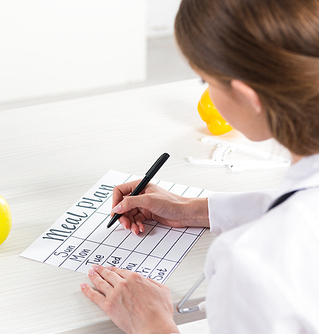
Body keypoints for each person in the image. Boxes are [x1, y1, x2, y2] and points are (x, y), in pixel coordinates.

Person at [79, 0, 319, 333]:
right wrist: (194, 210)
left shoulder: (250, 263)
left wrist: (151, 322)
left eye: (205, 81)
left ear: (249, 98)